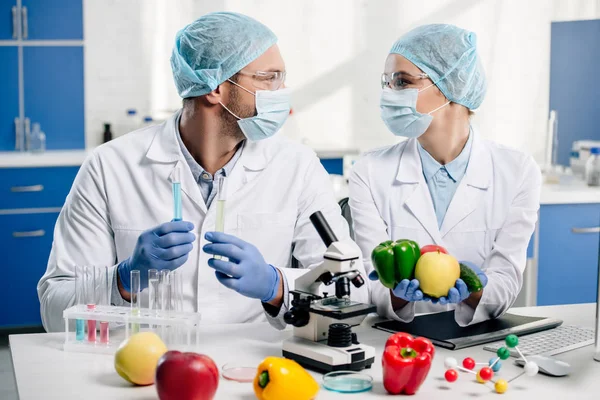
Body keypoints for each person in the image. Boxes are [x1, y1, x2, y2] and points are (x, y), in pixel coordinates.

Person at [38, 12, 368, 332]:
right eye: (269, 78)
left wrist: (275, 285)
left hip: (251, 369)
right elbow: (55, 310)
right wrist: (124, 279)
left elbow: (353, 292)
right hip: (141, 368)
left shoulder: (297, 166)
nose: (282, 92)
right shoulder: (109, 166)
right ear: (215, 88)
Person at [349, 24, 541, 326]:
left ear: (449, 85)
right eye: (385, 82)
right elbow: (369, 283)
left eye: (401, 81)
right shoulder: (369, 172)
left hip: (476, 345)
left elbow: (505, 283)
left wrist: (475, 291)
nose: (388, 94)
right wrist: (399, 295)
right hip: (396, 341)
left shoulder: (517, 171)